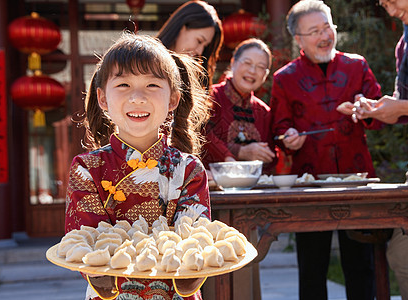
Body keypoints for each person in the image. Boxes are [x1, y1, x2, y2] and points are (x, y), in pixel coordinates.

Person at [64, 33, 211, 300]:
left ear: (173, 100)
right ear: (103, 98)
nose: (138, 97)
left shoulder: (189, 169)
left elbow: (196, 245)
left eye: (152, 85)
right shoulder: (87, 169)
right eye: (123, 85)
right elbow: (85, 246)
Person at [270, 1, 383, 299]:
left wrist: (366, 109)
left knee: (362, 265)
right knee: (312, 267)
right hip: (310, 182)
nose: (324, 36)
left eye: (327, 27)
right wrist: (288, 137)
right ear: (299, 39)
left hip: (356, 178)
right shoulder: (284, 78)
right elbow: (278, 128)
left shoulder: (356, 66)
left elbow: (381, 112)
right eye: (315, 31)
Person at [341, 0, 408, 299]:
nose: (391, 11)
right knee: (402, 254)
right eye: (384, 4)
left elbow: (406, 106)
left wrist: (401, 106)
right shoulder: (407, 42)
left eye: (393, 1)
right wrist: (374, 109)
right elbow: (403, 110)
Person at [202, 38, 277, 174]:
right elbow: (201, 136)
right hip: (211, 186)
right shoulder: (210, 98)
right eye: (247, 63)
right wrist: (240, 151)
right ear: (233, 62)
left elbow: (271, 158)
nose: (252, 71)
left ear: (265, 75)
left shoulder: (264, 112)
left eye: (260, 67)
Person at [157, 0, 223, 87]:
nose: (200, 51)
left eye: (205, 46)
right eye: (199, 41)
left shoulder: (192, 78)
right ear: (182, 27)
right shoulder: (147, 62)